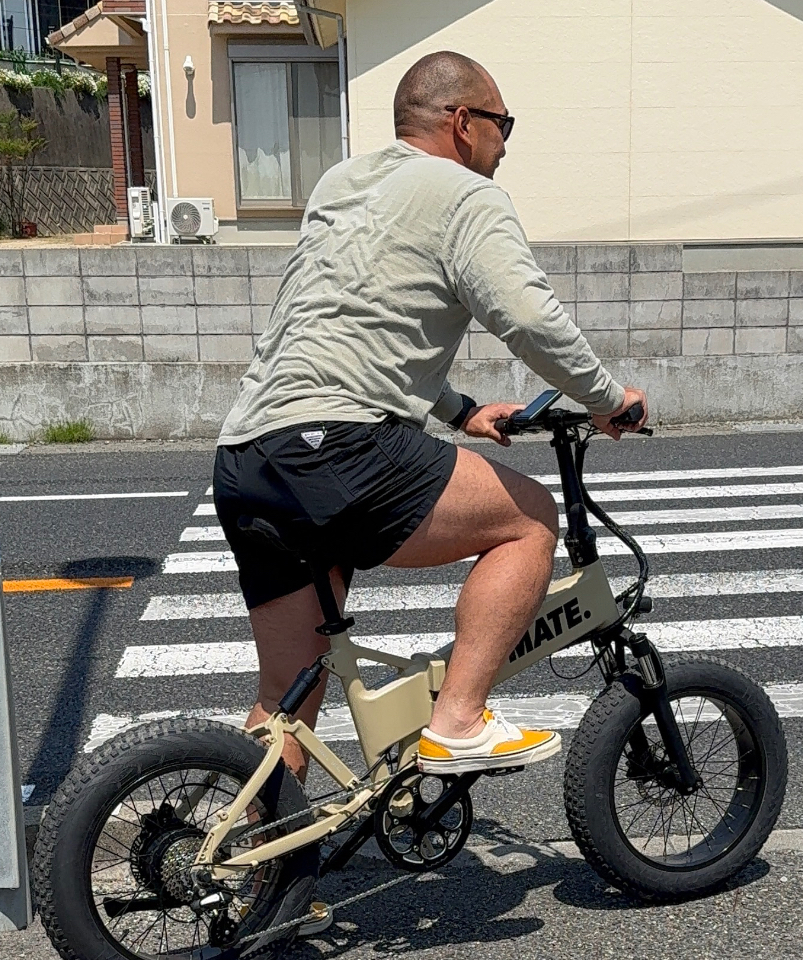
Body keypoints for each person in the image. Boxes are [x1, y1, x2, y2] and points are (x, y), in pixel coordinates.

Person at [213, 50, 648, 785]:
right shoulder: (465, 195)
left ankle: (249, 872)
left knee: (288, 697)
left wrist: (465, 411)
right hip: (340, 446)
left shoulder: (341, 184)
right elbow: (528, 319)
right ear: (462, 121)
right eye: (503, 124)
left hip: (251, 453)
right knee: (530, 521)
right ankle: (458, 721)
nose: (506, 143)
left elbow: (346, 321)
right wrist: (609, 400)